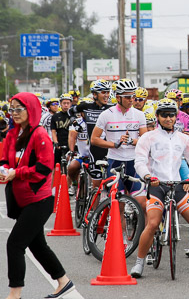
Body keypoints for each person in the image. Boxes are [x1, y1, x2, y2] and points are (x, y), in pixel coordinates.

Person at [131, 99, 189, 278]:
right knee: (153, 223)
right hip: (157, 186)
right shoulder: (148, 137)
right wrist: (148, 176)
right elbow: (139, 162)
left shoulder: (183, 139)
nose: (168, 118)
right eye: (164, 115)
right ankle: (139, 263)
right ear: (157, 116)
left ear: (176, 116)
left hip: (178, 186)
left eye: (172, 115)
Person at [0, 93, 74, 299]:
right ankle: (63, 282)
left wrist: (18, 172)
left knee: (15, 244)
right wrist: (5, 170)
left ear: (30, 109)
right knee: (37, 244)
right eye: (11, 109)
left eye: (18, 109)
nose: (14, 113)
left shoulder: (40, 134)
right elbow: (6, 160)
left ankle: (15, 293)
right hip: (20, 199)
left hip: (38, 199)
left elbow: (44, 168)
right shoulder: (13, 135)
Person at [90, 79, 148, 206]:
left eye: (133, 96)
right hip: (115, 162)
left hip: (134, 162)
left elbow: (145, 140)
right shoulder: (106, 115)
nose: (131, 99)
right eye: (127, 97)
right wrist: (114, 144)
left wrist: (132, 141)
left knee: (142, 204)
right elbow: (94, 139)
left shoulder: (139, 115)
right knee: (118, 205)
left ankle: (137, 225)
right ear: (118, 97)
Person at [77, 79, 113, 163]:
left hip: (111, 150)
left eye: (108, 92)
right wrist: (73, 120)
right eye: (103, 92)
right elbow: (70, 111)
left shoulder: (112, 108)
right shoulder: (86, 106)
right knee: (73, 167)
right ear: (94, 94)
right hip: (93, 150)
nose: (106, 95)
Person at [50, 93, 73, 167]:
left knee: (73, 166)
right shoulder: (55, 116)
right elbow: (53, 131)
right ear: (60, 104)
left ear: (71, 104)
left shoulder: (74, 116)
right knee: (56, 165)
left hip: (70, 144)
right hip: (59, 144)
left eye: (68, 103)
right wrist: (56, 142)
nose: (66, 105)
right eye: (64, 103)